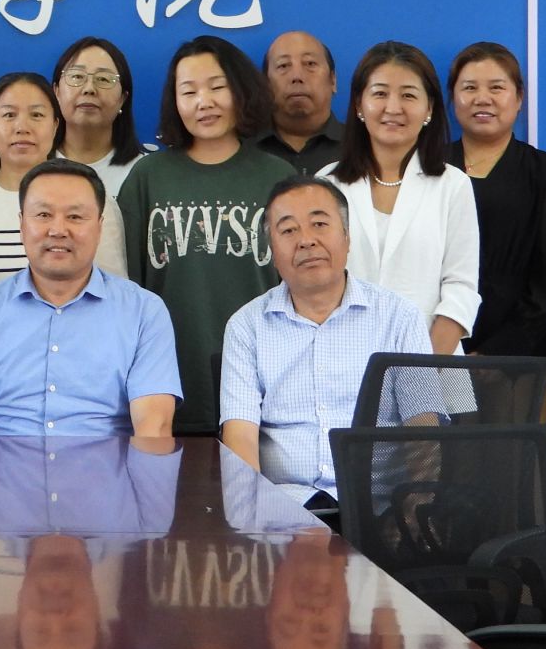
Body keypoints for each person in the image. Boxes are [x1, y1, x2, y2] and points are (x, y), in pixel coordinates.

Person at [220, 174, 438, 511]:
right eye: (288, 230)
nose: (306, 241)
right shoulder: (246, 326)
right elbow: (240, 436)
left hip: (380, 509)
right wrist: (253, 520)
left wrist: (416, 511)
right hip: (285, 511)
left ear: (347, 238)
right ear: (272, 252)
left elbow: (423, 426)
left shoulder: (399, 317)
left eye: (319, 224)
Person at [0, 158, 179, 436]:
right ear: (22, 225)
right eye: (43, 215)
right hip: (3, 463)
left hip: (105, 464)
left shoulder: (143, 311)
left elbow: (154, 427)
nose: (58, 230)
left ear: (99, 227)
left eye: (75, 217)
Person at [117, 36, 288, 434]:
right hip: (167, 385)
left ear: (241, 90)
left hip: (263, 386)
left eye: (216, 87)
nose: (203, 102)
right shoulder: (148, 177)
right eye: (189, 91)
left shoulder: (277, 177)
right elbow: (126, 289)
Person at [324, 42, 480, 356]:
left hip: (434, 364)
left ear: (429, 108)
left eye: (408, 95)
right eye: (380, 93)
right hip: (341, 361)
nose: (393, 108)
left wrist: (422, 369)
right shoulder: (327, 184)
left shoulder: (453, 185)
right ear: (359, 105)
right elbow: (315, 283)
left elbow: (460, 288)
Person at [445, 42, 546, 383]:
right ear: (453, 98)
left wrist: (499, 352)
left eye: (496, 87)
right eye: (469, 88)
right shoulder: (429, 169)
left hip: (522, 357)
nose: (482, 98)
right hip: (438, 351)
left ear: (519, 99)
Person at [0, 72, 130, 306]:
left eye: (36, 115)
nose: (22, 127)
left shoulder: (89, 199)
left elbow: (116, 298)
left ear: (55, 125)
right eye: (9, 115)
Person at [52, 35, 144, 196]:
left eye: (103, 79)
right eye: (77, 76)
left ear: (123, 99)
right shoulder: (33, 163)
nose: (89, 89)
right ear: (57, 92)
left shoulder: (144, 173)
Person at [258, 30, 345, 171]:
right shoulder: (241, 149)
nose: (297, 76)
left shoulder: (362, 147)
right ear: (266, 84)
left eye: (310, 64)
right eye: (283, 66)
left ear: (333, 80)